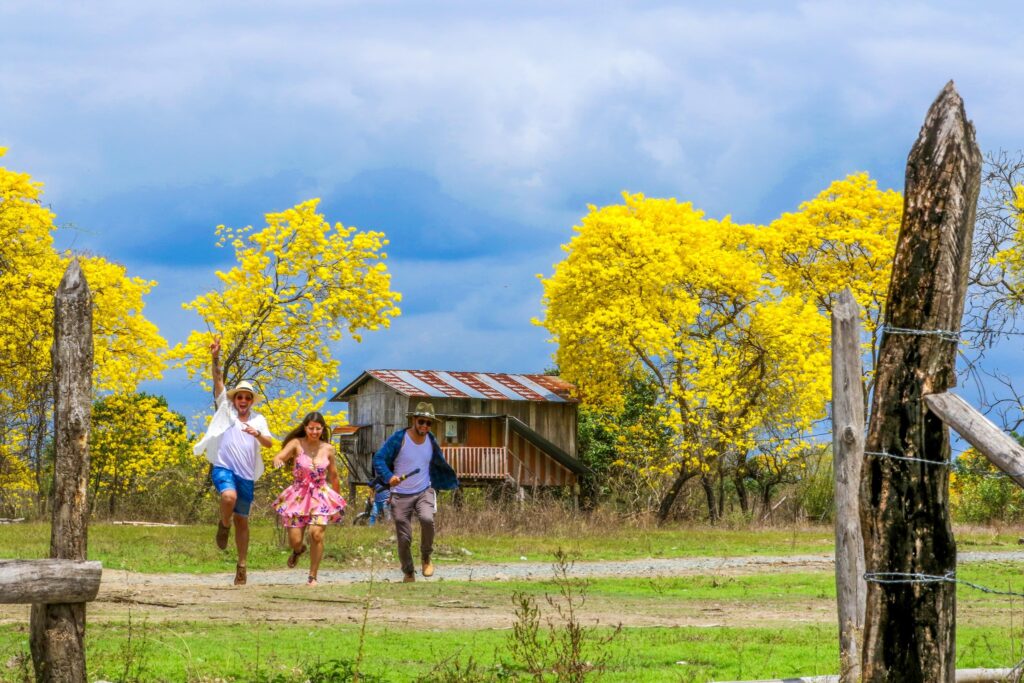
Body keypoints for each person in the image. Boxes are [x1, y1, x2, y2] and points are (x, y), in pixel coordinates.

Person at [193, 336, 275, 586]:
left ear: (251, 401)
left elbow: (270, 443)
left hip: (246, 475)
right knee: (227, 498)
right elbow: (218, 381)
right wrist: (215, 356)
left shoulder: (258, 420)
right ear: (234, 399)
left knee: (244, 521)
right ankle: (223, 523)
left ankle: (242, 565)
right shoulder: (225, 410)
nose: (243, 401)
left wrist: (257, 433)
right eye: (239, 397)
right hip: (224, 468)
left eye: (247, 398)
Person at [372, 402, 459, 582]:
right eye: (421, 421)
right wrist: (389, 477)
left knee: (427, 519)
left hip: (424, 490)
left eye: (429, 423)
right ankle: (408, 572)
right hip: (400, 493)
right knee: (404, 538)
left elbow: (437, 462)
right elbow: (379, 458)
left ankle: (426, 556)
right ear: (413, 420)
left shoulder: (431, 440)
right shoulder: (399, 438)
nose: (424, 426)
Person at [271, 412, 346, 586]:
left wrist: (338, 500)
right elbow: (280, 456)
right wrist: (278, 461)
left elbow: (334, 475)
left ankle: (312, 576)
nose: (314, 432)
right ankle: (298, 550)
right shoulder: (296, 444)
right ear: (305, 428)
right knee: (296, 541)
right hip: (298, 496)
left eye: (318, 428)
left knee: (316, 534)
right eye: (311, 428)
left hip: (320, 495)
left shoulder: (328, 448)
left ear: (322, 429)